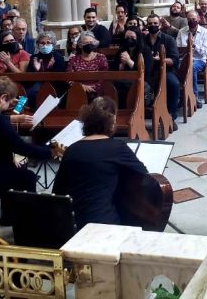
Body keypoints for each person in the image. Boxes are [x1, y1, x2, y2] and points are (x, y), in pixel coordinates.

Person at [53, 97, 148, 229]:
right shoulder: (117, 148)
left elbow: (57, 191)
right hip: (103, 223)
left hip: (73, 224)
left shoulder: (71, 150)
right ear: (112, 122)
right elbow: (143, 173)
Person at [143, 14, 180, 128]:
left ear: (159, 25)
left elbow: (174, 60)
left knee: (173, 84)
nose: (153, 25)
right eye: (150, 24)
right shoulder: (143, 40)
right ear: (147, 25)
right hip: (147, 71)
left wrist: (162, 59)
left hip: (165, 71)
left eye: (155, 23)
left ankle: (171, 116)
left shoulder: (168, 39)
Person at [177, 10, 207, 109]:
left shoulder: (204, 32)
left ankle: (194, 96)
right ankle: (181, 96)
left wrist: (194, 46)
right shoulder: (182, 31)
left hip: (199, 60)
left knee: (191, 68)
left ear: (198, 19)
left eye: (193, 19)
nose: (191, 21)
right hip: (184, 59)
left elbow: (206, 51)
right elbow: (177, 47)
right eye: (189, 19)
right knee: (175, 68)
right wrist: (186, 49)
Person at [113, 28, 153, 108]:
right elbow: (114, 69)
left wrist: (129, 61)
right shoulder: (121, 51)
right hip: (123, 81)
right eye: (127, 37)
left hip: (141, 80)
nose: (129, 39)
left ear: (137, 37)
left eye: (132, 37)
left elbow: (147, 71)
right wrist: (122, 65)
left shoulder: (146, 51)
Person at [26, 31, 66, 108]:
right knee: (28, 93)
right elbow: (29, 78)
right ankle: (21, 111)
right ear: (38, 44)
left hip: (55, 86)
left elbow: (60, 78)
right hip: (36, 86)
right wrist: (36, 70)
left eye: (48, 43)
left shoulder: (58, 57)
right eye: (42, 43)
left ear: (53, 45)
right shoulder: (34, 58)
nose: (45, 45)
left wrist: (49, 68)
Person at [67, 31, 109, 98]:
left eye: (91, 42)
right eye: (86, 43)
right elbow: (69, 78)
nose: (89, 44)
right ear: (80, 45)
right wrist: (82, 87)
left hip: (98, 93)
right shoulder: (73, 59)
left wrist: (92, 88)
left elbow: (104, 77)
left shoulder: (101, 57)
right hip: (78, 92)